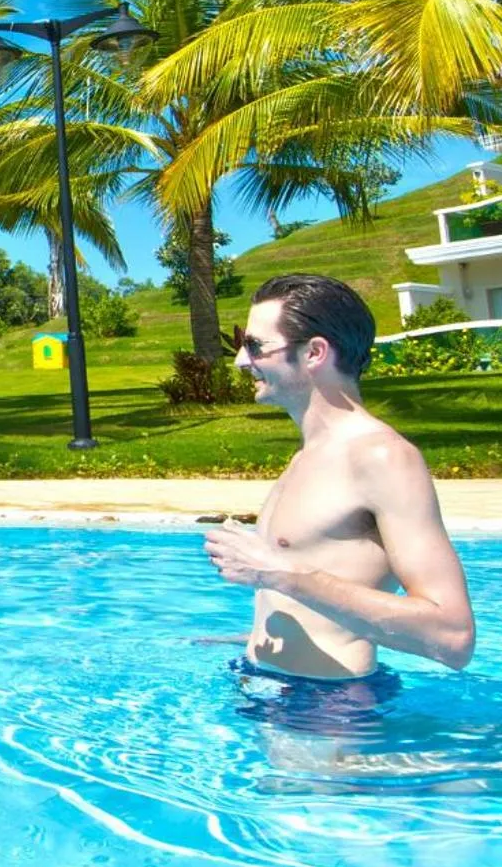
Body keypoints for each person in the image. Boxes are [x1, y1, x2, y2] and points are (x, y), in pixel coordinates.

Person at [204, 274, 476, 702]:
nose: (241, 360)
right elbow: (318, 604)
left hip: (329, 709)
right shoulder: (307, 456)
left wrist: (280, 572)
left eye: (255, 346)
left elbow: (453, 637)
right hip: (269, 688)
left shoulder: (382, 458)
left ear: (314, 352)